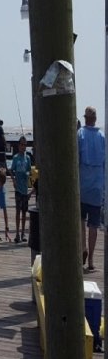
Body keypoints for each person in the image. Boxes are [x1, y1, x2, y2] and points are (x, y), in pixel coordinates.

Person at [79, 106, 105, 272]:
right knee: (94, 225)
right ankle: (91, 260)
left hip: (82, 186)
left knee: (81, 221)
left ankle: (83, 248)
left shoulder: (80, 134)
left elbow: (76, 159)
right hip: (97, 187)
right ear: (95, 119)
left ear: (86, 118)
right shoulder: (102, 136)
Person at [9, 136, 32, 243]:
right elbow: (11, 170)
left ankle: (23, 233)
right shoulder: (15, 158)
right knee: (18, 211)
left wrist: (27, 174)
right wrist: (13, 180)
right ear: (19, 146)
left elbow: (29, 170)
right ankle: (17, 233)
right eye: (22, 145)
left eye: (25, 145)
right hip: (18, 188)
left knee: (24, 212)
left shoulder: (28, 158)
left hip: (25, 189)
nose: (23, 147)